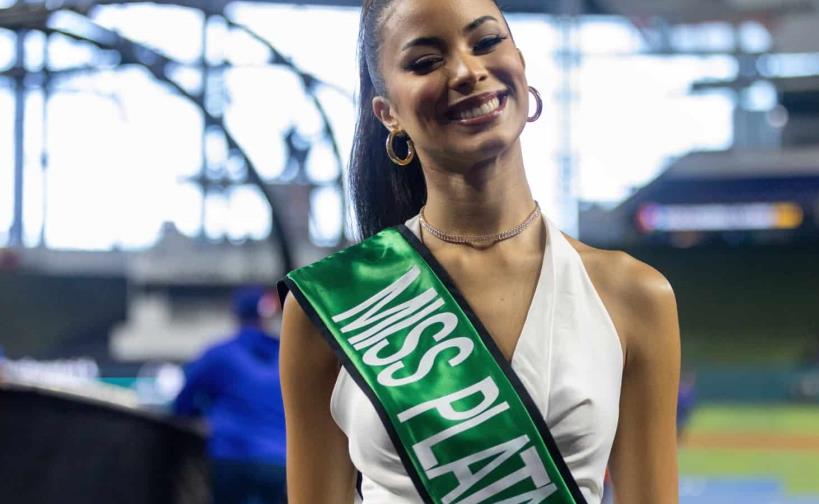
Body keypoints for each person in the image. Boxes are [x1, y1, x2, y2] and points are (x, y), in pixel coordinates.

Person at [278, 1, 681, 502]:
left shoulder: (635, 296)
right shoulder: (332, 303)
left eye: (487, 42)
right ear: (389, 114)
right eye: (426, 62)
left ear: (521, 63)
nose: (468, 71)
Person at [173, 287, 287, 504]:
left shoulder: (220, 354)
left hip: (231, 458)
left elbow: (183, 402)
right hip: (279, 460)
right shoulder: (284, 357)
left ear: (236, 315)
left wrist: (200, 412)